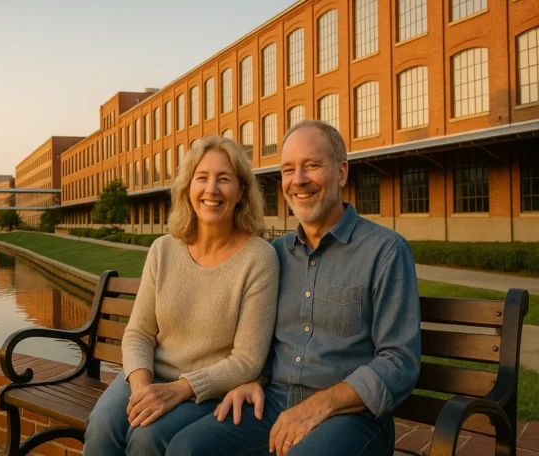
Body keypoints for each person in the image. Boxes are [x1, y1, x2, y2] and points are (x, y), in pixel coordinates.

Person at [166, 120, 422, 455]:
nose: (298, 180)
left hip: (352, 418)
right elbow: (260, 343)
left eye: (312, 166)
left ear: (342, 173)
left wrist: (321, 404)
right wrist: (253, 381)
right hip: (272, 405)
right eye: (288, 169)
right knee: (186, 448)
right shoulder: (274, 255)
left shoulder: (385, 251)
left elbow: (399, 361)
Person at [83, 135, 280, 456]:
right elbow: (138, 333)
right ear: (188, 188)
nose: (211, 189)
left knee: (146, 438)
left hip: (207, 389)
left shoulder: (259, 258)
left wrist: (180, 389)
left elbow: (248, 360)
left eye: (224, 179)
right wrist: (143, 390)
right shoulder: (164, 249)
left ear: (241, 191)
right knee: (103, 427)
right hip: (147, 375)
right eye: (201, 178)